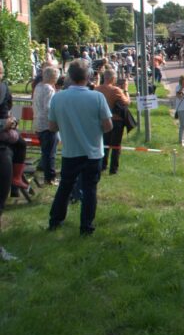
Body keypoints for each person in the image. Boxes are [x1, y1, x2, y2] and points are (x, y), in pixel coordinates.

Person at [47, 60, 113, 235]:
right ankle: (86, 226)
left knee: (65, 187)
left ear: (69, 76)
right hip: (93, 152)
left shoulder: (58, 97)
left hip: (70, 151)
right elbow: (108, 126)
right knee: (90, 189)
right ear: (88, 76)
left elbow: (52, 127)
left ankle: (55, 220)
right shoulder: (97, 97)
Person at [0, 60, 29, 191]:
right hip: (4, 130)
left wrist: (14, 119)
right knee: (21, 144)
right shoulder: (3, 87)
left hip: (8, 122)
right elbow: (12, 107)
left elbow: (14, 108)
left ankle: (15, 181)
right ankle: (16, 178)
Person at [95, 68, 130, 174]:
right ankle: (113, 169)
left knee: (105, 143)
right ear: (113, 78)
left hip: (102, 120)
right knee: (116, 145)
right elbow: (126, 102)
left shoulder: (97, 89)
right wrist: (126, 90)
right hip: (116, 120)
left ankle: (103, 165)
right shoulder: (116, 90)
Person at [33, 66, 61, 184]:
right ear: (53, 78)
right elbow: (49, 107)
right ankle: (50, 178)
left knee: (46, 152)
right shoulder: (49, 89)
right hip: (48, 124)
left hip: (38, 123)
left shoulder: (38, 86)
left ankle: (47, 175)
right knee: (50, 153)